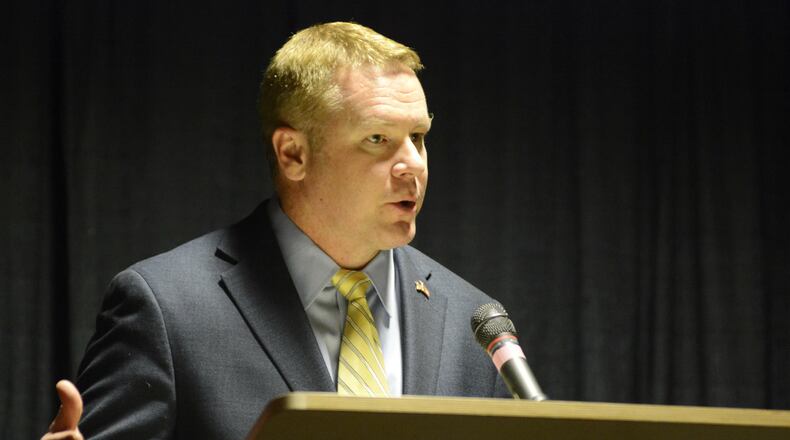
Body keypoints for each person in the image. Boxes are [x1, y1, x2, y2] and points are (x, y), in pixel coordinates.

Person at [43, 22, 508, 440]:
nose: (413, 166)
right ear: (293, 154)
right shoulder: (167, 310)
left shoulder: (474, 323)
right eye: (378, 139)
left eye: (419, 137)